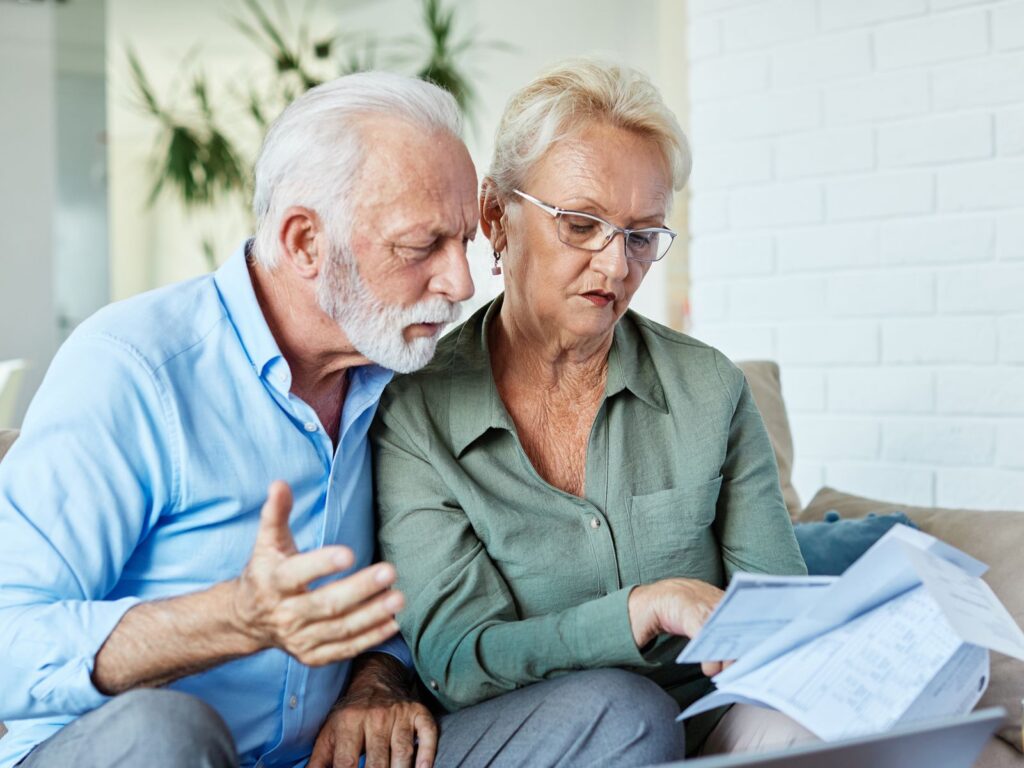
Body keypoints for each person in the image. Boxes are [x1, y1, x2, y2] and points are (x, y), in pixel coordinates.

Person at [0, 72, 478, 768]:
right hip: (131, 753)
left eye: (465, 240)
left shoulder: (403, 370)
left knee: (613, 714)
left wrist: (376, 680)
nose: (461, 282)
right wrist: (234, 617)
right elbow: (8, 639)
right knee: (170, 732)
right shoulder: (134, 368)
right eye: (421, 247)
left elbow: (416, 599)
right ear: (305, 241)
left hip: (316, 756)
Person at [373, 59, 814, 761]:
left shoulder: (709, 389)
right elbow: (457, 660)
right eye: (581, 224)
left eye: (642, 236)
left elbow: (780, 608)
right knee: (626, 710)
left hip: (701, 714)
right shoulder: (416, 411)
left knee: (806, 725)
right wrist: (636, 612)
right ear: (497, 216)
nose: (616, 267)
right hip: (516, 730)